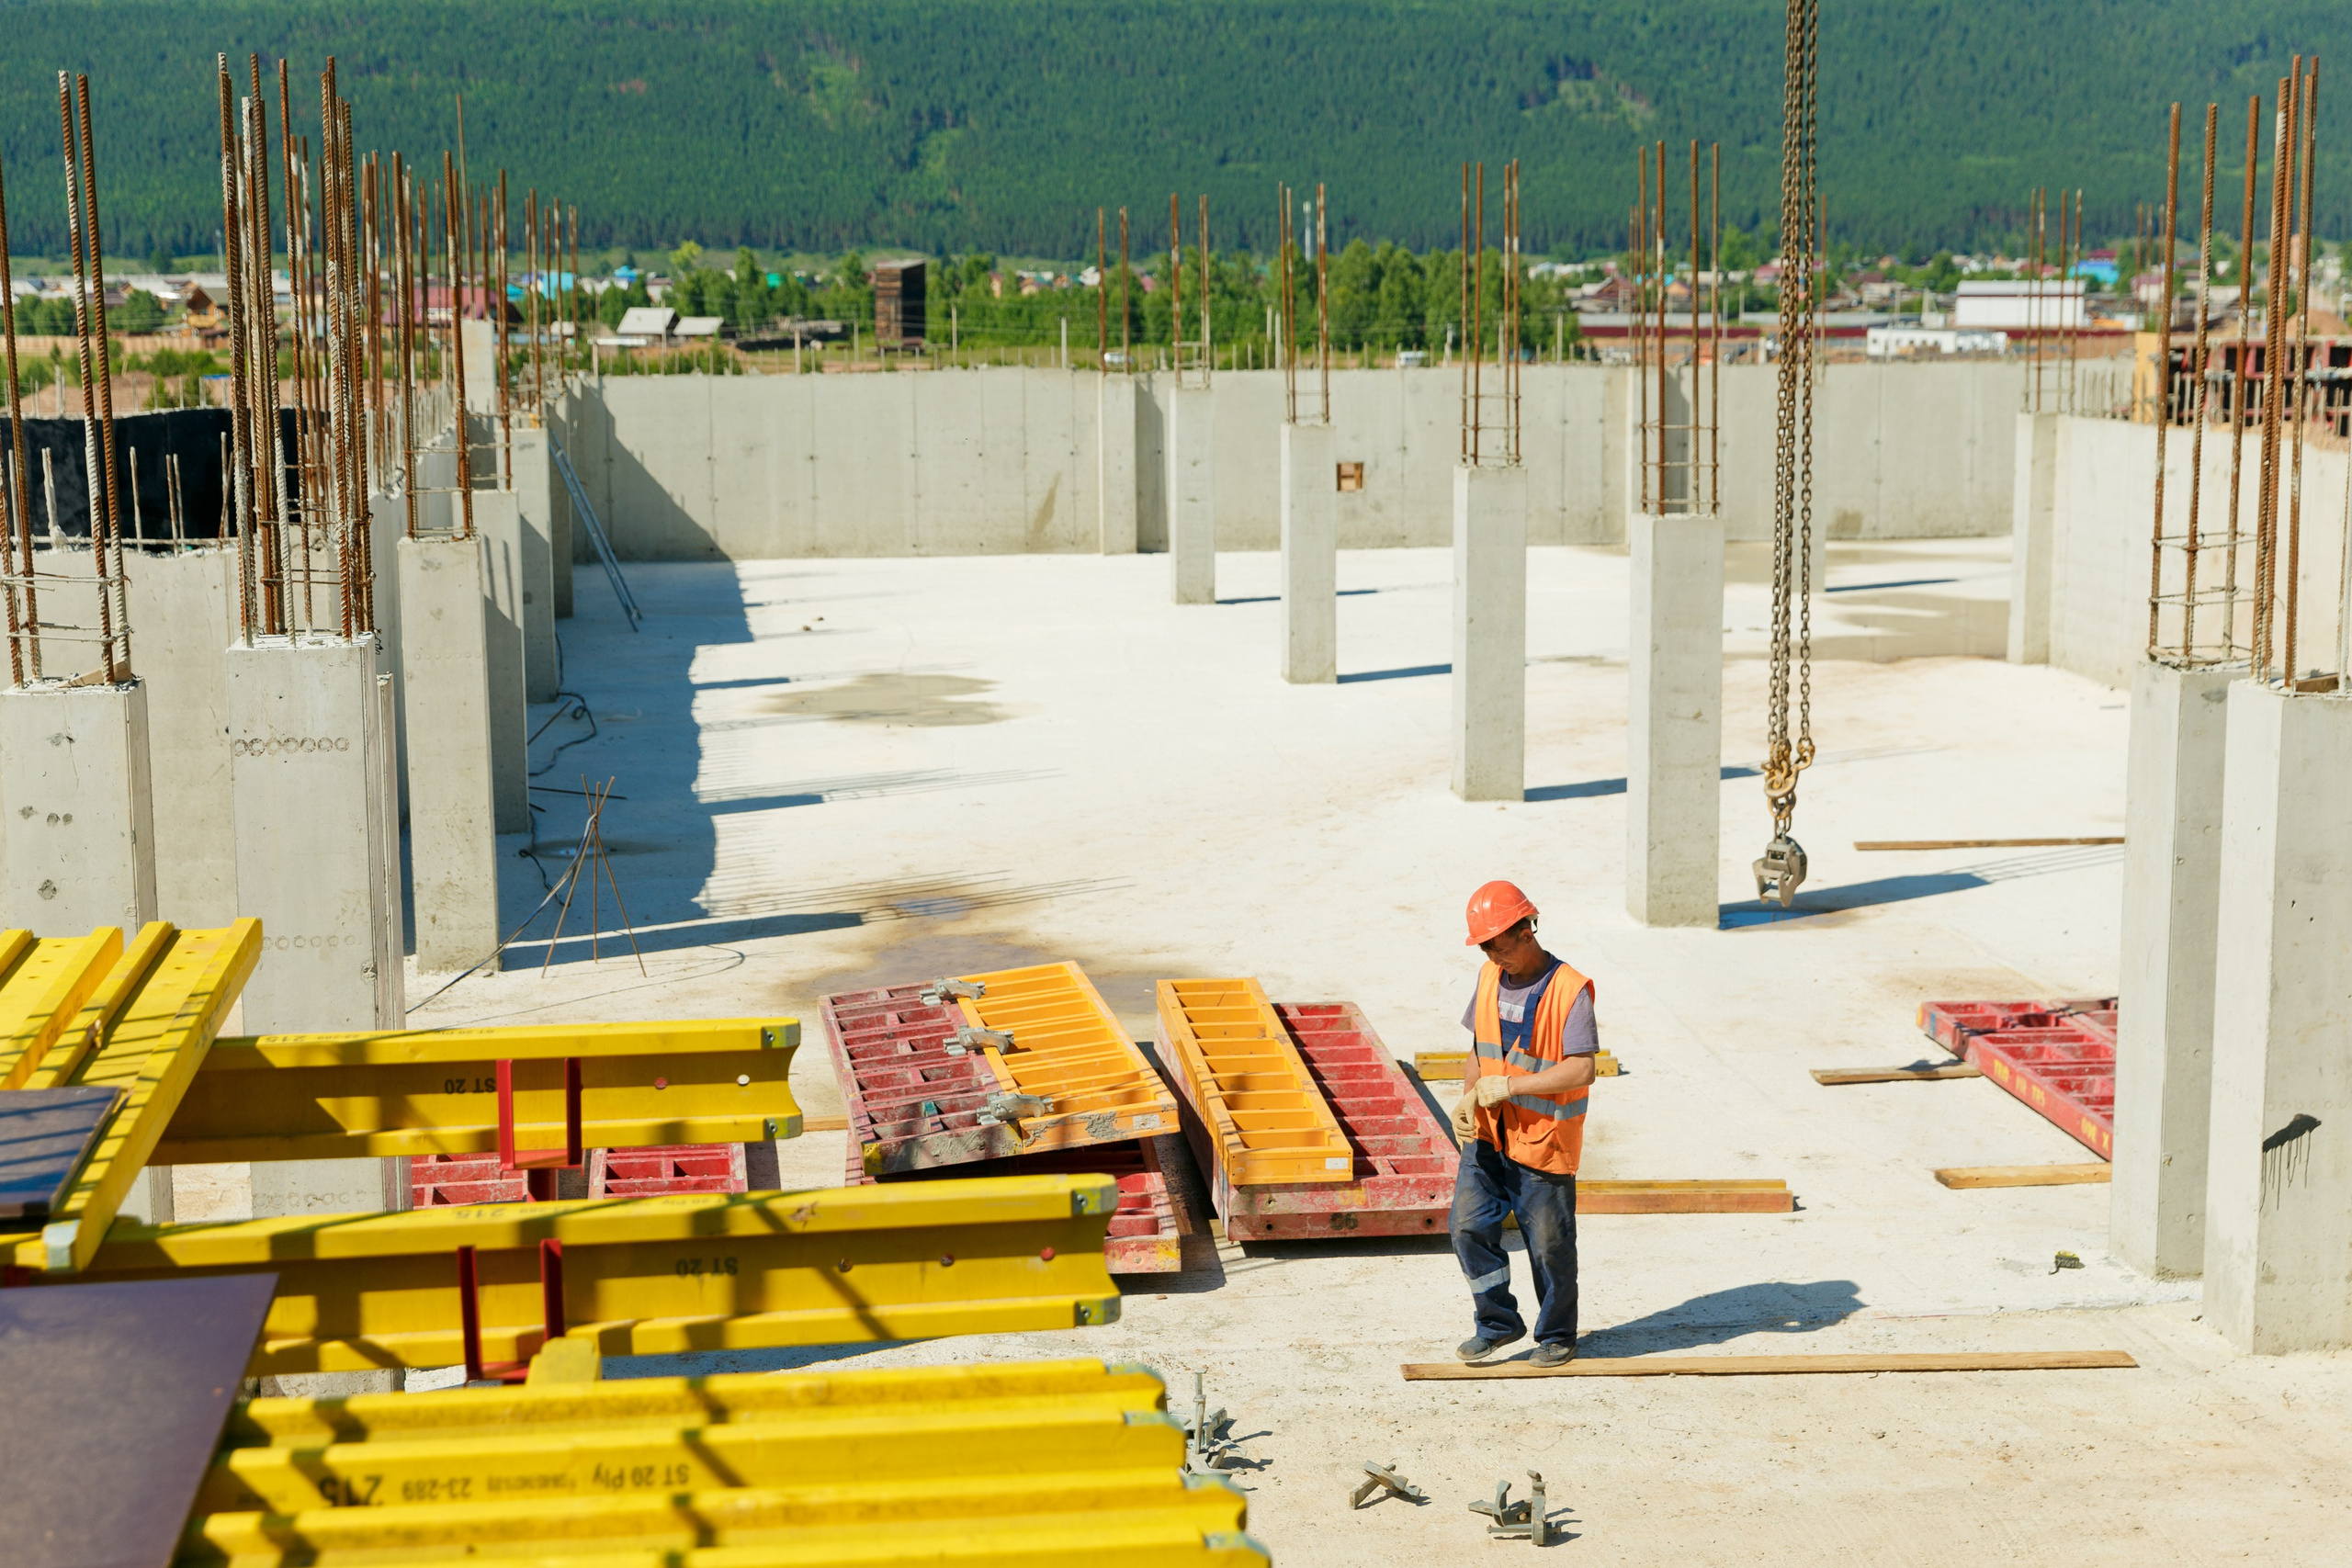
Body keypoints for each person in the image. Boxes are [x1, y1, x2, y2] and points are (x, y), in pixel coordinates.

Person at [1448, 879, 1598, 1366]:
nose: (1492, 954)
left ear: (1526, 930)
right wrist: (1467, 1099)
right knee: (1467, 1228)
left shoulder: (1569, 989)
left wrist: (1511, 1088)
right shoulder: (1490, 977)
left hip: (1541, 1141)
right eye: (1484, 946)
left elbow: (1582, 1067)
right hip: (1490, 1133)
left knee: (1549, 1245)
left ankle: (1557, 1334)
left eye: (1497, 943)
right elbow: (1480, 1048)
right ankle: (1497, 1324)